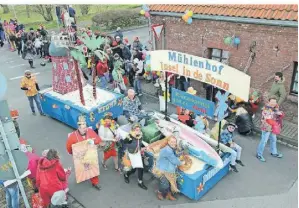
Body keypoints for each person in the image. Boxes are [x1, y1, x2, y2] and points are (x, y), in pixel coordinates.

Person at [66, 115, 103, 190]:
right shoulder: (72, 136)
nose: (85, 129)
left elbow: (98, 140)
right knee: (81, 169)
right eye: (83, 128)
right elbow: (69, 148)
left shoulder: (90, 131)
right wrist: (73, 154)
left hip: (90, 156)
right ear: (78, 128)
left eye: (85, 127)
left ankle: (95, 182)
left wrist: (93, 141)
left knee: (92, 168)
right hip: (80, 158)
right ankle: (82, 176)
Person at [152, 136, 184, 200]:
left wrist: (180, 152)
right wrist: (182, 162)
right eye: (171, 142)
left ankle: (168, 195)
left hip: (169, 169)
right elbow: (174, 160)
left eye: (174, 142)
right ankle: (159, 192)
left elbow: (175, 154)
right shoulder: (167, 150)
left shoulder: (172, 148)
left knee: (171, 183)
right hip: (163, 170)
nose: (173, 143)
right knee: (165, 184)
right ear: (168, 142)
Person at [256, 96, 284, 162]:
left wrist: (279, 113)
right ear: (269, 102)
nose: (273, 103)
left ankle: (274, 152)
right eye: (272, 102)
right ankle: (259, 154)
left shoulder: (276, 107)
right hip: (266, 126)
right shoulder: (266, 108)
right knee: (264, 141)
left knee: (274, 139)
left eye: (274, 102)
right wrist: (277, 113)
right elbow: (268, 117)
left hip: (273, 127)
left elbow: (277, 115)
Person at [123, 123, 148, 190]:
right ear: (133, 130)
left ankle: (140, 182)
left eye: (139, 130)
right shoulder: (130, 136)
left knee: (140, 167)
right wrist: (129, 137)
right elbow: (125, 143)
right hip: (131, 154)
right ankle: (126, 175)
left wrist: (144, 146)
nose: (138, 131)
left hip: (137, 153)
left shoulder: (140, 135)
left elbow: (140, 143)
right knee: (133, 169)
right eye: (136, 130)